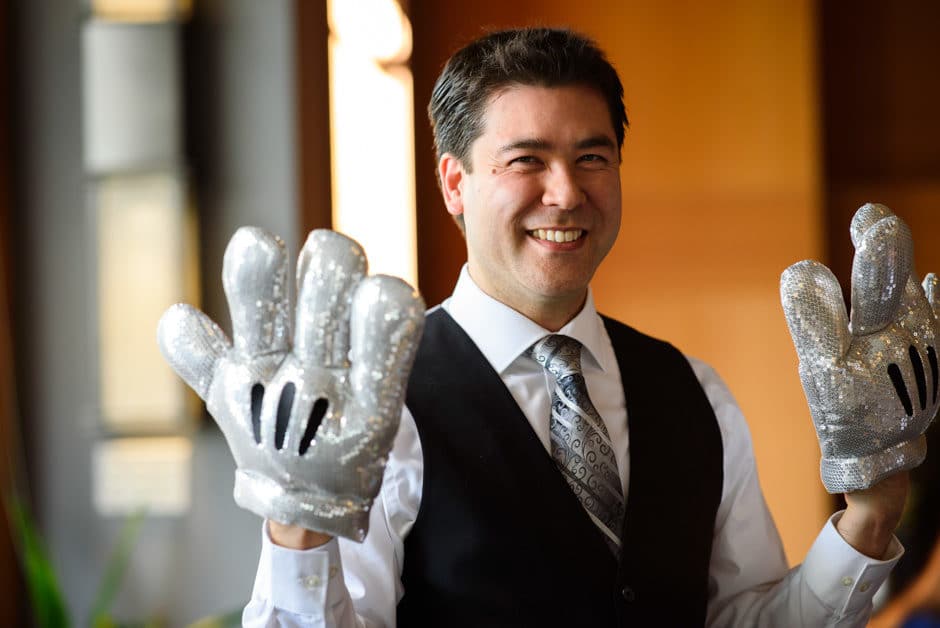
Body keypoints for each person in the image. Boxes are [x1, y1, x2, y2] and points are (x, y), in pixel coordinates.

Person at [236, 28, 912, 626]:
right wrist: (300, 531)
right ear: (453, 184)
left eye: (592, 157)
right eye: (526, 160)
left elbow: (744, 620)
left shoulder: (694, 391)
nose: (565, 192)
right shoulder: (375, 410)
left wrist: (870, 517)